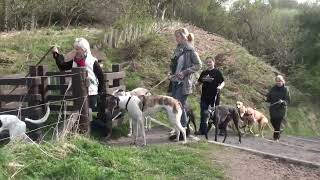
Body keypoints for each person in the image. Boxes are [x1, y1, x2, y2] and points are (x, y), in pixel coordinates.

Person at [52, 37, 110, 137]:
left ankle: (103, 129)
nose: (76, 51)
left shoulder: (92, 62)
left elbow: (101, 77)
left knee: (87, 114)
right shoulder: (75, 61)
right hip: (78, 92)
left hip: (91, 92)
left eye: (78, 49)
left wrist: (101, 92)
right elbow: (63, 66)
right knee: (82, 114)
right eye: (76, 48)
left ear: (85, 49)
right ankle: (84, 134)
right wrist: (56, 55)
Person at [168, 28, 202, 139]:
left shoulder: (190, 50)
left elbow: (198, 65)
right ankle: (180, 130)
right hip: (175, 82)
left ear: (183, 37)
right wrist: (170, 73)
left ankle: (184, 132)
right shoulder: (178, 49)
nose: (175, 39)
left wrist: (185, 72)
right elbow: (174, 65)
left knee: (179, 106)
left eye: (177, 37)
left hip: (185, 83)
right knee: (175, 106)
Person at [196, 56, 225, 135]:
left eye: (210, 62)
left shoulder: (217, 72)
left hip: (214, 97)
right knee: (203, 113)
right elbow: (198, 84)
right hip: (204, 97)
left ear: (213, 62)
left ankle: (222, 129)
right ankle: (202, 130)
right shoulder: (204, 73)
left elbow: (223, 82)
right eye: (207, 62)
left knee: (216, 114)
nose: (208, 63)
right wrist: (199, 92)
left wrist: (220, 87)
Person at [266, 75, 290, 141]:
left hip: (281, 109)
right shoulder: (273, 88)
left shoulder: (286, 89)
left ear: (282, 81)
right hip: (273, 108)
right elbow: (268, 97)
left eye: (280, 81)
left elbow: (288, 100)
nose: (278, 82)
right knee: (273, 121)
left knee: (278, 123)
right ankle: (279, 131)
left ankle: (276, 137)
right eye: (277, 81)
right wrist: (267, 102)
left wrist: (282, 101)